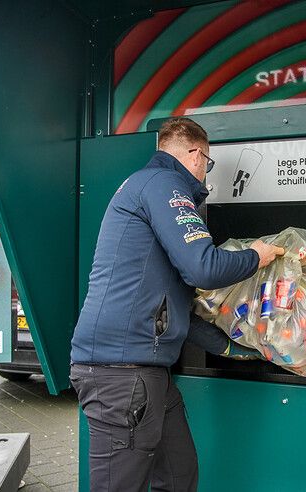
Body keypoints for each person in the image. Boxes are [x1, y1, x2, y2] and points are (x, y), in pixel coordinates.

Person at [70, 117, 284, 492]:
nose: (206, 173)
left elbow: (178, 309)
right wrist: (256, 255)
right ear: (195, 154)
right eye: (208, 164)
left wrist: (240, 349)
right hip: (122, 374)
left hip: (149, 374)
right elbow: (203, 267)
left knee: (178, 475)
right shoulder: (164, 185)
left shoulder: (149, 187)